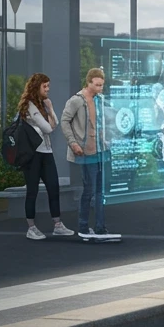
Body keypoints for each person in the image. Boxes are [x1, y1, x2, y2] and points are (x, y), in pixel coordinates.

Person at [62, 68, 120, 242]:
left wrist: (107, 138)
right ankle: (83, 226)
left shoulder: (100, 101)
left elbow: (102, 123)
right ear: (89, 83)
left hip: (101, 151)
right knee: (89, 191)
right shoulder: (76, 101)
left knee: (100, 192)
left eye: (102, 85)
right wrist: (73, 142)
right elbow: (64, 121)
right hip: (85, 152)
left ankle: (101, 228)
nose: (100, 88)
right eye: (97, 85)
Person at [17, 73, 76, 241]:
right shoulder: (29, 105)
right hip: (32, 154)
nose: (48, 89)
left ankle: (57, 225)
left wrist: (50, 109)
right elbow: (48, 128)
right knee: (32, 191)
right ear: (37, 87)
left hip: (46, 152)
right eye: (45, 86)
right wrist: (49, 115)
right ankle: (31, 228)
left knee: (53, 188)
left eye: (48, 86)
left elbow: (54, 123)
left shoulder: (43, 104)